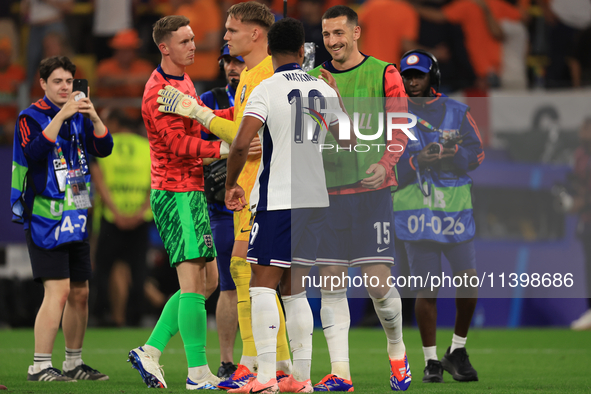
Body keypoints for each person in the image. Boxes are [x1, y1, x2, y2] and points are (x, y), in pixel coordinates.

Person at [157, 3, 294, 390]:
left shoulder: (268, 73)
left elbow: (242, 136)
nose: (225, 36)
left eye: (232, 30)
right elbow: (238, 127)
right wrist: (201, 112)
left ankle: (264, 366)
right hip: (247, 188)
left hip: (264, 186)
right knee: (248, 274)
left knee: (255, 276)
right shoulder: (250, 74)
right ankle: (274, 365)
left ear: (255, 34)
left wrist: (197, 113)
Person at [224, 17, 348, 394]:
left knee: (262, 286)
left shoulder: (266, 88)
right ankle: (301, 379)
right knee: (295, 289)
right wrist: (335, 97)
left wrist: (231, 184)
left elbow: (242, 144)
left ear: (272, 52)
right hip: (316, 201)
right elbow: (346, 142)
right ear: (302, 52)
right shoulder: (322, 89)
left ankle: (264, 379)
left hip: (278, 199)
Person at [307, 5, 411, 391]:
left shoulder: (384, 73)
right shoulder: (315, 79)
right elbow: (313, 138)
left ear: (356, 33)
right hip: (328, 194)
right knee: (330, 283)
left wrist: (386, 164)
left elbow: (400, 129)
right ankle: (341, 374)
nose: (332, 41)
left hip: (371, 194)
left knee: (377, 284)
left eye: (339, 33)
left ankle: (397, 355)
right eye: (326, 34)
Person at [127, 15, 232, 390]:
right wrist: (224, 147)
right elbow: (177, 144)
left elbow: (199, 123)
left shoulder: (183, 80)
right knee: (192, 284)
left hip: (192, 190)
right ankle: (197, 372)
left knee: (210, 280)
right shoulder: (157, 90)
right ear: (164, 47)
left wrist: (240, 116)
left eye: (192, 39)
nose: (193, 46)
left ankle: (151, 350)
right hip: (174, 192)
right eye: (185, 41)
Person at [10, 55, 112, 382]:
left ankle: (73, 363)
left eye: (69, 81)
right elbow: (34, 152)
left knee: (80, 291)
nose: (65, 87)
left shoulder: (80, 115)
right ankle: (39, 365)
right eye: (57, 81)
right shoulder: (30, 116)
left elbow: (104, 148)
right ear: (42, 84)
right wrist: (62, 115)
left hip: (77, 211)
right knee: (59, 291)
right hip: (45, 216)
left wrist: (93, 116)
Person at [393, 50, 484, 383]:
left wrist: (455, 152)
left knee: (468, 279)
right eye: (407, 75)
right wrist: (419, 160)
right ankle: (431, 361)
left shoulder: (458, 111)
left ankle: (457, 350)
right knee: (427, 288)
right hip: (415, 211)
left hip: (455, 209)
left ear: (434, 77)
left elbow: (478, 154)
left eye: (419, 75)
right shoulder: (393, 116)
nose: (412, 81)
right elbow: (382, 163)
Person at [200, 43, 246, 379]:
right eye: (228, 60)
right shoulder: (209, 101)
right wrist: (222, 158)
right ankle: (228, 360)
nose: (232, 66)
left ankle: (263, 358)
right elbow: (193, 152)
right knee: (229, 285)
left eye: (239, 60)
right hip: (221, 207)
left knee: (266, 284)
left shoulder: (264, 91)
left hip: (259, 203)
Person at [90, 107, 152, 328]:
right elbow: (155, 184)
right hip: (141, 218)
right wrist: (140, 211)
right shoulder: (147, 147)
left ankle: (105, 315)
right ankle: (136, 316)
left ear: (115, 123)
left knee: (104, 270)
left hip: (111, 219)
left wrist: (116, 213)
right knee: (138, 271)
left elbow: (100, 184)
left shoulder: (104, 147)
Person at [569, 118, 591, 330]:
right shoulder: (579, 155)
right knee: (588, 265)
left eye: (586, 129)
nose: (582, 133)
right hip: (587, 220)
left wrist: (582, 201)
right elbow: (577, 183)